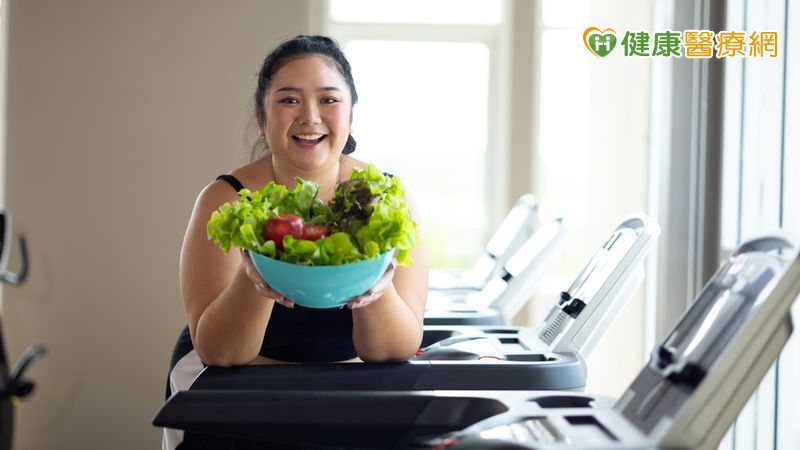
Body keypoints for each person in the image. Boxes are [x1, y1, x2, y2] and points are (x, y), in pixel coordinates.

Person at [164, 34, 429, 450]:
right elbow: (222, 353)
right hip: (230, 399)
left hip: (345, 396)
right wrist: (255, 279)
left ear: (351, 114)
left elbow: (393, 350)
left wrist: (376, 286)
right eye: (289, 100)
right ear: (261, 114)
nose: (310, 116)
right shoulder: (226, 198)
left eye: (328, 99)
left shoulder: (388, 199)